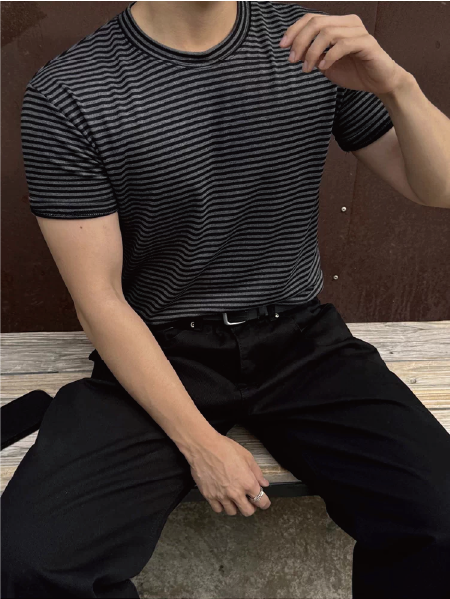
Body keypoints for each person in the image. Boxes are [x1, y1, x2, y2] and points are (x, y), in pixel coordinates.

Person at [1, 1, 450, 597]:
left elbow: (437, 188)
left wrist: (397, 85)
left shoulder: (311, 46)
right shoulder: (71, 91)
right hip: (161, 351)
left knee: (442, 520)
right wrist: (201, 443)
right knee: (30, 561)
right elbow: (99, 299)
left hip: (298, 341)